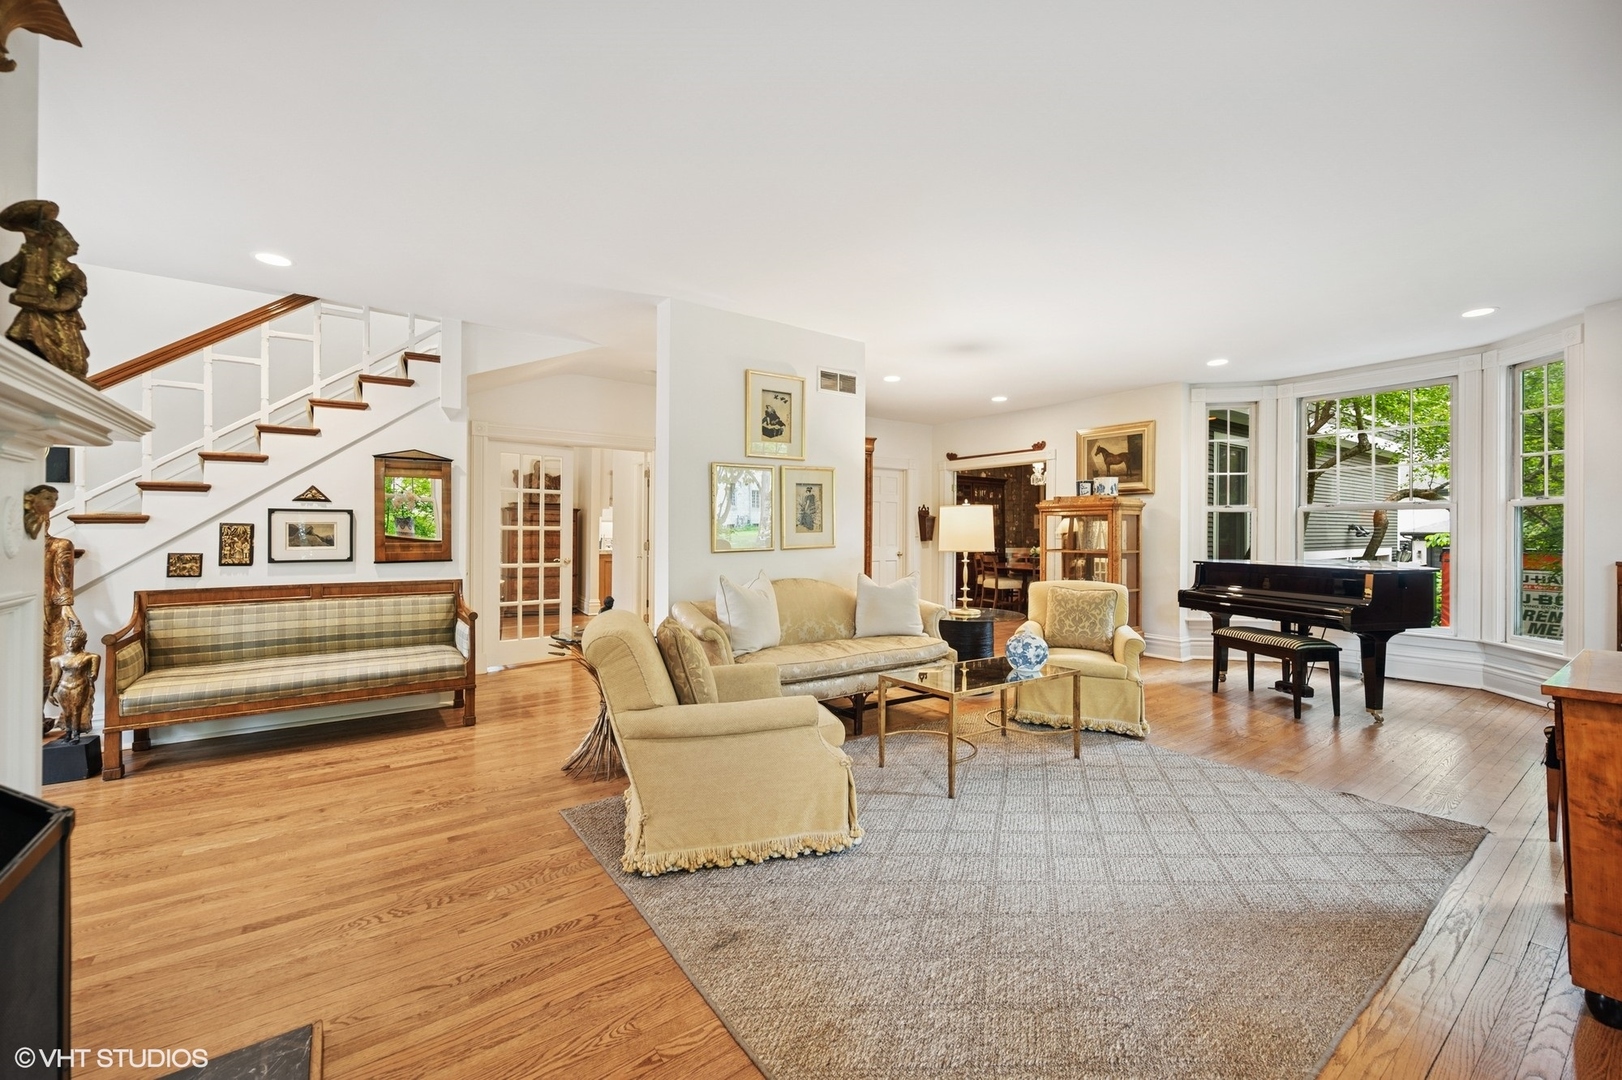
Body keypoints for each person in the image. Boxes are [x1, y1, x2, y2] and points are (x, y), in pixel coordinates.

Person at [47, 620, 99, 742]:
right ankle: (68, 732)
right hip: (63, 687)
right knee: (67, 711)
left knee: (76, 711)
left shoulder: (91, 657)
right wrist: (50, 693)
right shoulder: (57, 660)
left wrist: (92, 677)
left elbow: (94, 674)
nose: (71, 644)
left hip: (80, 685)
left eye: (75, 641)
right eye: (68, 641)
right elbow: (56, 677)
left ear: (83, 642)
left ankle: (76, 733)